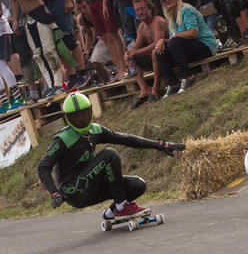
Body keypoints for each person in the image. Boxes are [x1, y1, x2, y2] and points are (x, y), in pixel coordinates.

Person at [36, 92, 185, 220]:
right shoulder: (62, 139)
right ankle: (122, 207)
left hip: (92, 187)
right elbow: (43, 167)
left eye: (84, 113)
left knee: (138, 185)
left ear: (91, 111)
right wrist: (54, 193)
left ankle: (112, 212)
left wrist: (160, 145)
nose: (81, 119)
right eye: (76, 116)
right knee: (109, 154)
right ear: (67, 118)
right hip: (73, 192)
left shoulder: (95, 130)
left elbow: (127, 139)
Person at [0, 0, 65, 96]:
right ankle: (51, 86)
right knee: (37, 54)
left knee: (49, 50)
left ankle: (59, 84)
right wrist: (15, 19)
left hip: (40, 11)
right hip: (27, 17)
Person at [154, 0, 217, 96]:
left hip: (205, 45)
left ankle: (187, 77)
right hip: (189, 48)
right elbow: (175, 38)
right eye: (164, 0)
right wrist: (162, 40)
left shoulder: (186, 10)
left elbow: (193, 33)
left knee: (174, 42)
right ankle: (173, 84)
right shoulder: (170, 17)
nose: (167, 0)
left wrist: (174, 37)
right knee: (160, 51)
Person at [126, 0, 170, 106]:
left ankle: (156, 89)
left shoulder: (158, 21)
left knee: (155, 52)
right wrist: (128, 53)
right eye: (137, 10)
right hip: (154, 58)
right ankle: (144, 88)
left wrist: (138, 52)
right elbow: (135, 47)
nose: (140, 12)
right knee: (130, 57)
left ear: (150, 8)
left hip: (167, 55)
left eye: (142, 8)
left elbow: (158, 42)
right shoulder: (141, 26)